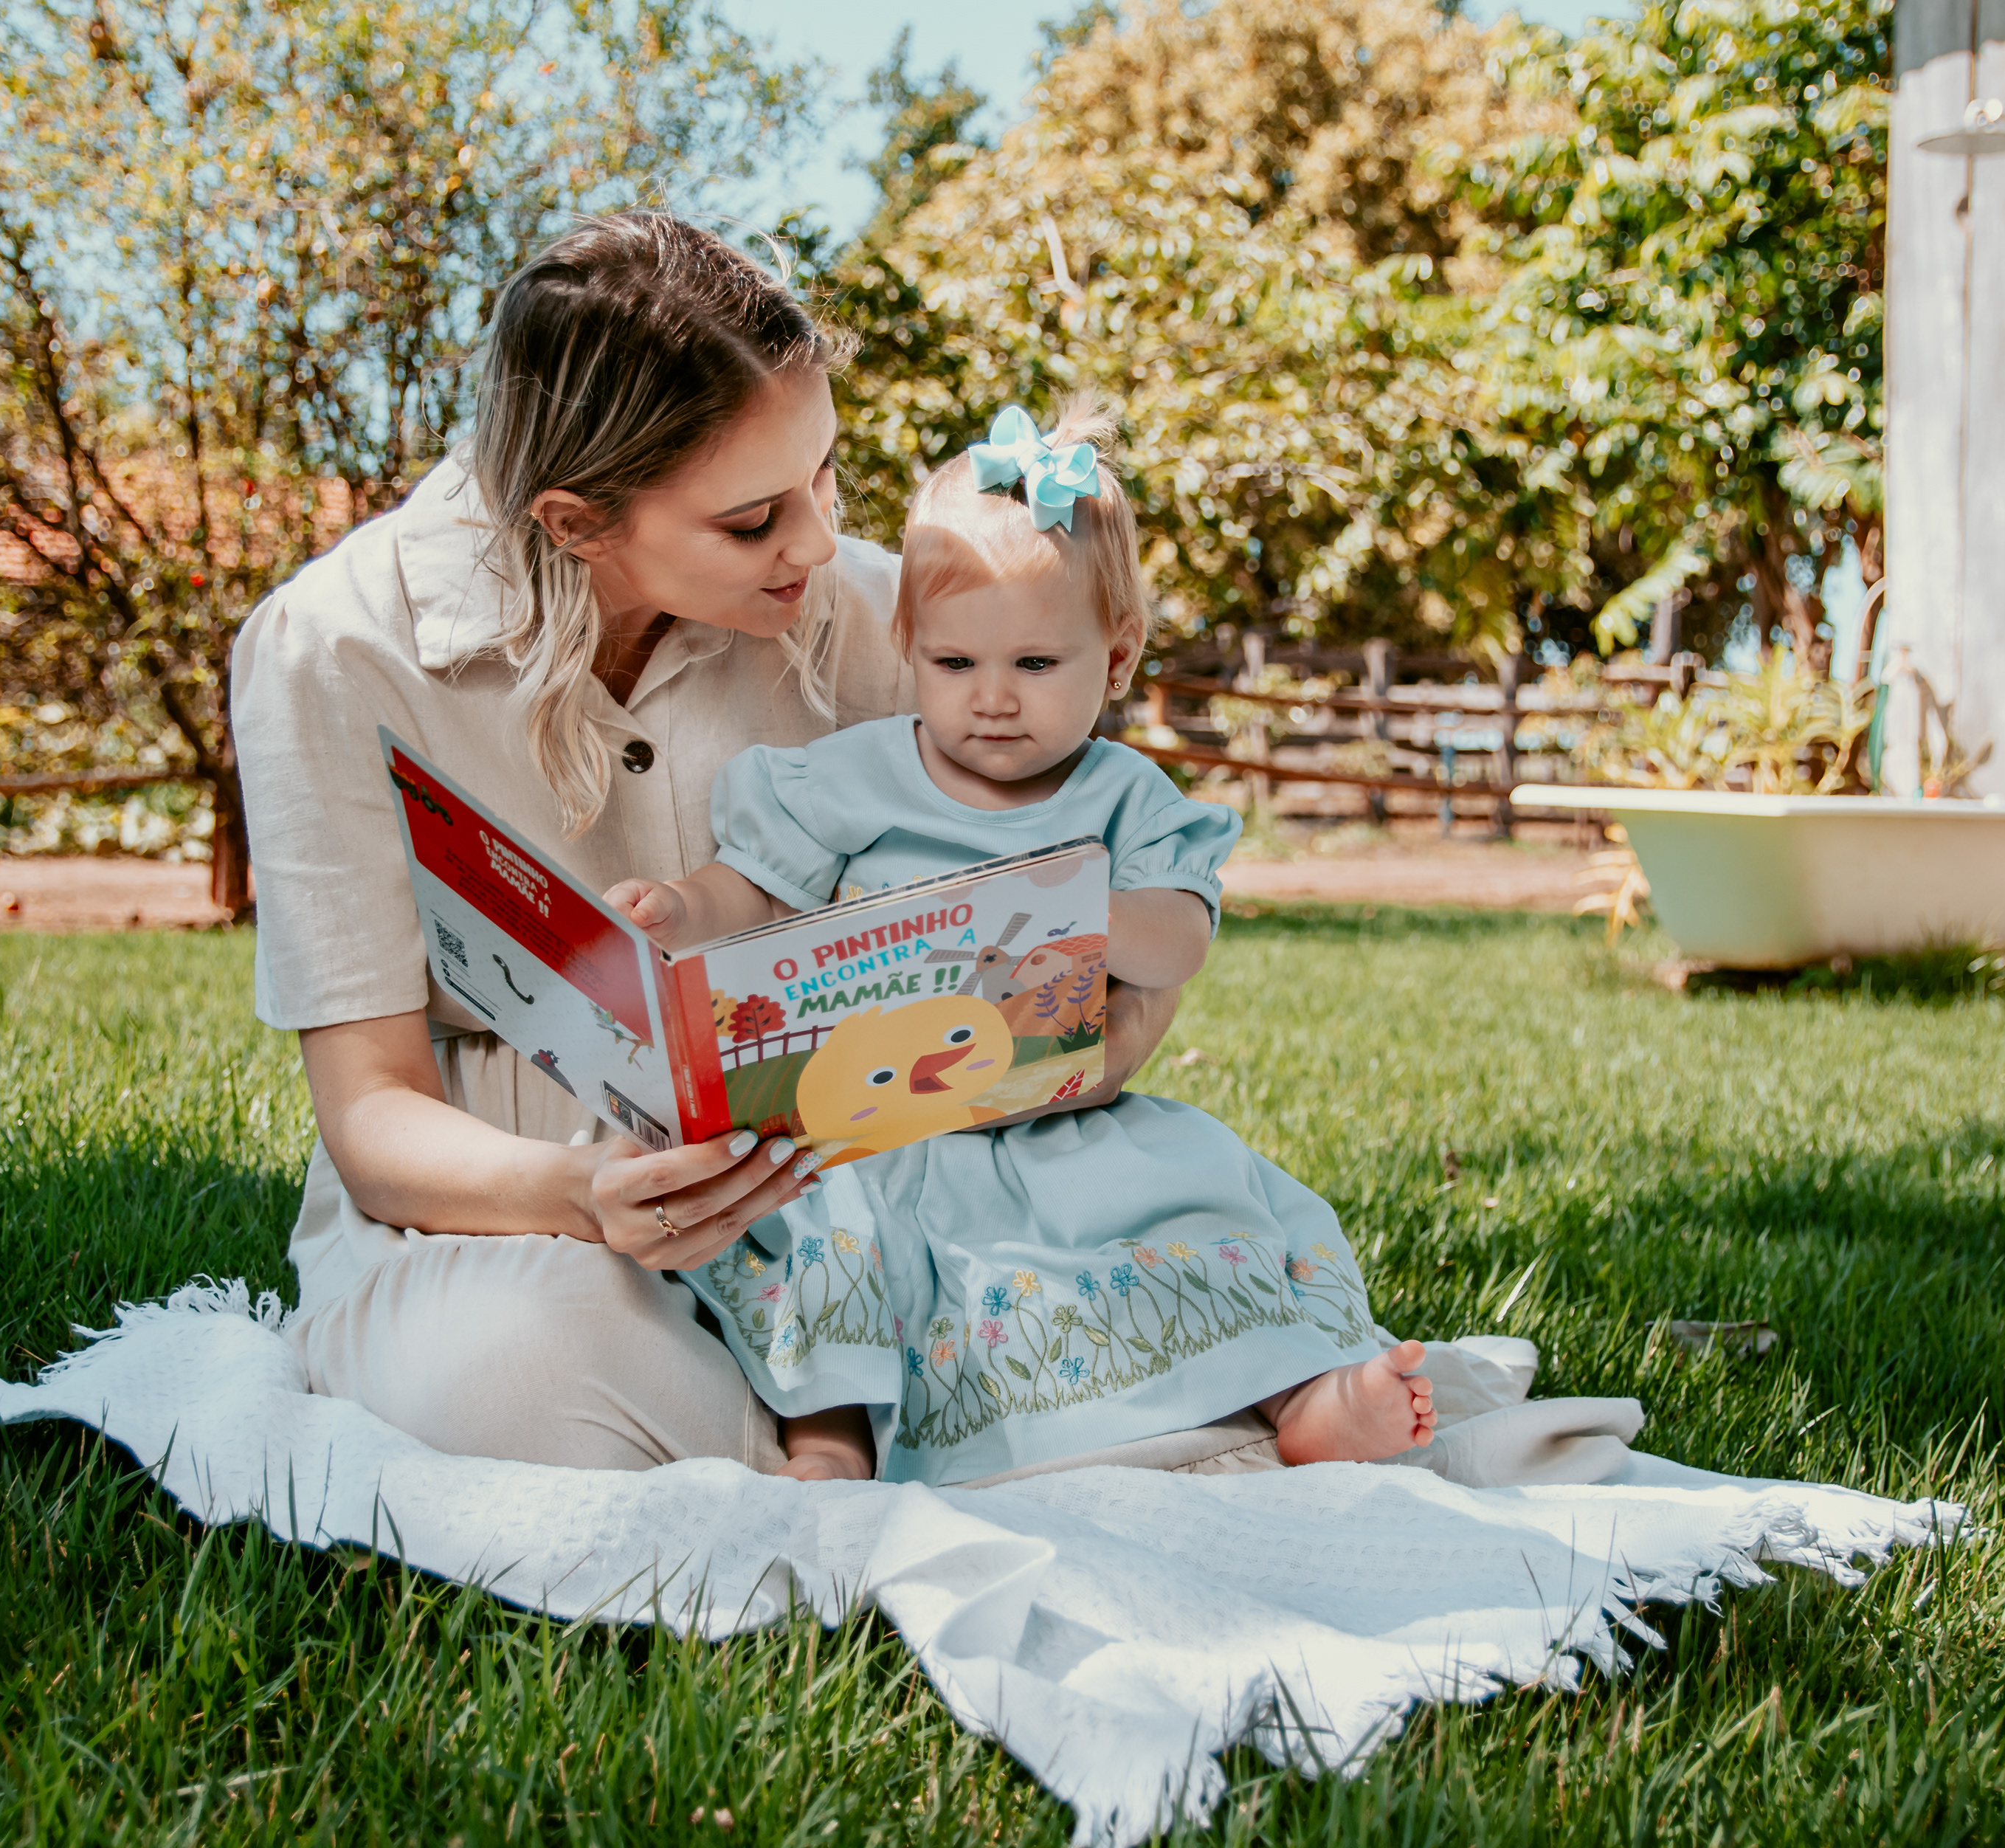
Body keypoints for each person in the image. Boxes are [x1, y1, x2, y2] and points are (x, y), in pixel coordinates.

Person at [226, 213, 1255, 1477]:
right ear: (576, 521)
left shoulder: (905, 618)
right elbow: (374, 1113)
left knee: (1142, 1326)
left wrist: (1077, 1052)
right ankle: (853, 1454)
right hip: (511, 1213)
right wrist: (580, 1198)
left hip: (895, 1173)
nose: (818, 546)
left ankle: (864, 1448)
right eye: (756, 517)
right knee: (533, 1377)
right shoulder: (331, 650)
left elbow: (1073, 920)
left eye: (826, 477)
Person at [601, 401, 1438, 1485]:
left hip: (1057, 1126)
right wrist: (681, 909)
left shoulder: (1122, 795)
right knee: (832, 1238)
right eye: (955, 664)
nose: (992, 701)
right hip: (876, 1127)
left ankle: (1304, 1394)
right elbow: (757, 888)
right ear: (908, 647)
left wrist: (1083, 912)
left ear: (1119, 656)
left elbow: (1179, 942)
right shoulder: (858, 775)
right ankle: (831, 1447)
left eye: (1038, 664)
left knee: (1185, 1214)